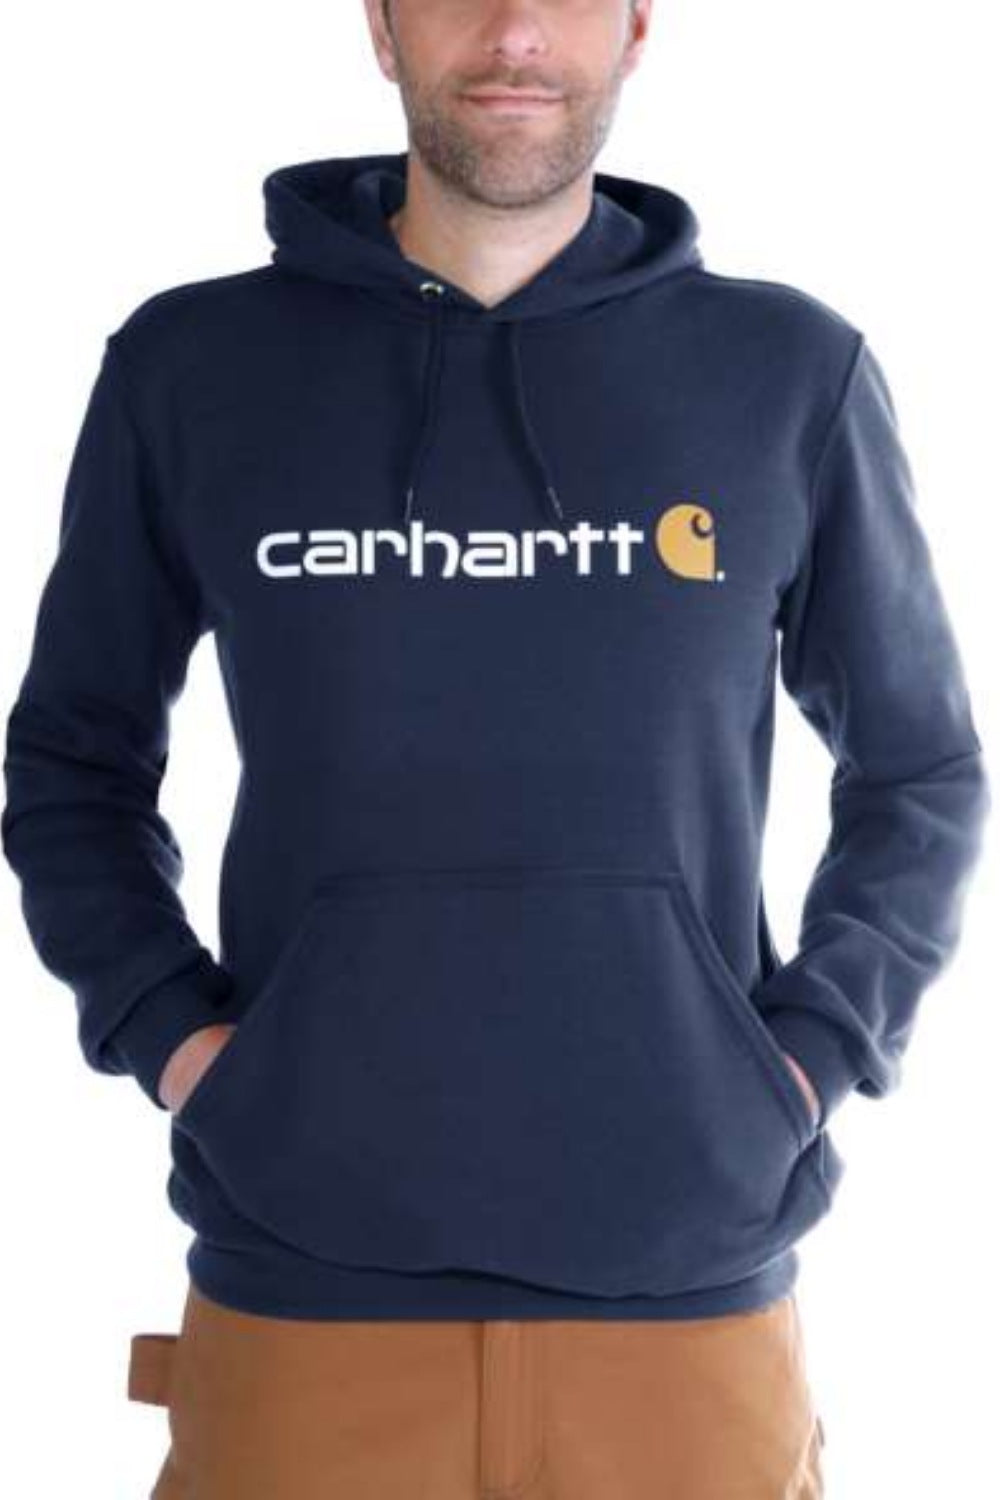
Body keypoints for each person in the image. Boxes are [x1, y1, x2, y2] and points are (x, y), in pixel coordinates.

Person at [2, 1, 990, 1495]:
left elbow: (921, 772)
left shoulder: (788, 372)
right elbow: (73, 759)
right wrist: (177, 1041)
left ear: (637, 26)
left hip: (685, 1305)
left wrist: (807, 1059)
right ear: (382, 24)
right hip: (304, 1296)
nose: (517, 29)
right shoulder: (193, 367)